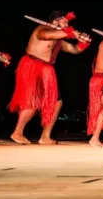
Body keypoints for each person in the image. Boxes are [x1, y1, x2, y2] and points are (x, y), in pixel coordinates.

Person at [9, 11, 91, 145]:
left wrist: (84, 43)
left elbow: (74, 49)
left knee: (57, 102)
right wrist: (72, 33)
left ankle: (45, 136)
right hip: (32, 66)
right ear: (55, 22)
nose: (67, 24)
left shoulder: (58, 38)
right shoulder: (42, 29)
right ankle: (17, 132)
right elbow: (46, 35)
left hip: (46, 70)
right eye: (64, 21)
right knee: (32, 101)